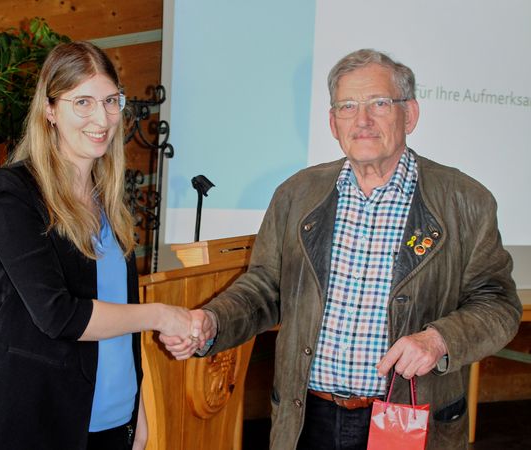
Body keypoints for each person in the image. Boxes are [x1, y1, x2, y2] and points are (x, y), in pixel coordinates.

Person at [161, 49, 522, 450]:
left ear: (410, 115)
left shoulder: (465, 201)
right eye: (347, 106)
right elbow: (265, 288)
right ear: (333, 123)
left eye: (379, 104)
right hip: (306, 418)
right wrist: (213, 321)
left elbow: (498, 305)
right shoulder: (297, 194)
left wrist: (438, 339)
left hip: (406, 419)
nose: (362, 120)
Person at [0, 41, 200, 450]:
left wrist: (138, 413)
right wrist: (161, 315)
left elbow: (118, 312)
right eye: (83, 102)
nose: (102, 117)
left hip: (113, 423)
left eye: (111, 100)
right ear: (50, 110)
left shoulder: (108, 197)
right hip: (36, 424)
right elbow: (60, 316)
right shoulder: (13, 193)